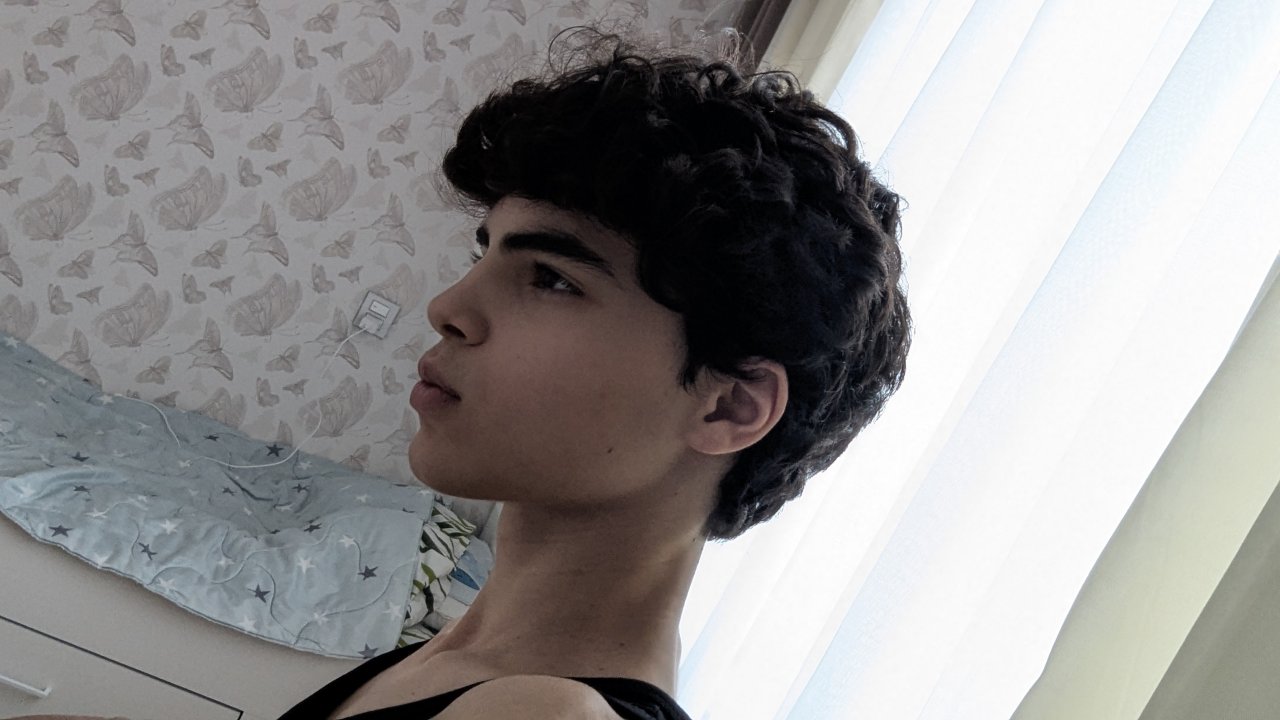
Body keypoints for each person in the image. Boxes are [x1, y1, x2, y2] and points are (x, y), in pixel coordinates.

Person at [277, 24, 912, 720]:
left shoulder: (547, 714)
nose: (448, 308)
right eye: (483, 254)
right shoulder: (467, 664)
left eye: (551, 278)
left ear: (729, 406)